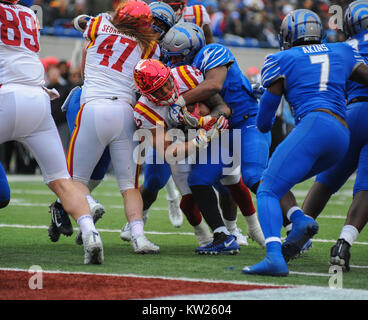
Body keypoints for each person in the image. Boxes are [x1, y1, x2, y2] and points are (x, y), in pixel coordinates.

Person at [242, 9, 368, 277]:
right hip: (341, 133)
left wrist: (264, 100)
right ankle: (301, 219)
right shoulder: (342, 51)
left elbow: (265, 120)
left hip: (315, 124)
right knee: (283, 182)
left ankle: (274, 257)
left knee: (268, 187)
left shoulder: (281, 59)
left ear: (288, 36)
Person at [0, 0, 103, 264]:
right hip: (37, 99)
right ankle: (91, 234)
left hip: (5, 94)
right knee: (61, 180)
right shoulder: (26, 14)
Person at [160, 22, 267, 251]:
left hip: (217, 131)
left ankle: (257, 228)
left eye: (179, 57)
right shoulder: (161, 78)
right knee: (190, 193)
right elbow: (167, 150)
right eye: (171, 57)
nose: (174, 62)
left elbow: (222, 106)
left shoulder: (199, 66)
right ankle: (215, 237)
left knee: (239, 179)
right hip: (179, 138)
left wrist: (201, 121)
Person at [67, 0, 160, 254]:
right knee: (129, 185)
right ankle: (139, 237)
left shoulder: (98, 23)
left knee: (75, 181)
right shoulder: (151, 46)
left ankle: (90, 230)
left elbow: (80, 28)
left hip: (94, 106)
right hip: (126, 112)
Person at [301, 0, 368, 272]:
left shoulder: (347, 47)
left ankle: (298, 235)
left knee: (327, 179)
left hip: (351, 113)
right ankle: (344, 242)